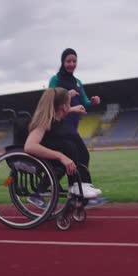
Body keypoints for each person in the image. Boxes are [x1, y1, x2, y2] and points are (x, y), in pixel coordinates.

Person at [24, 88, 102, 209]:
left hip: (56, 158)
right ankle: (39, 194)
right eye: (69, 104)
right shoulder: (44, 123)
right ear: (63, 107)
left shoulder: (56, 119)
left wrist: (72, 108)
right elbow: (29, 146)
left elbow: (59, 111)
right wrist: (60, 156)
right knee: (68, 147)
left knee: (73, 143)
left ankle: (79, 186)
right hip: (46, 159)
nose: (69, 107)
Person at [48, 48, 107, 208]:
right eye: (68, 61)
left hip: (72, 126)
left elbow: (85, 101)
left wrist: (93, 102)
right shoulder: (55, 79)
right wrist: (66, 94)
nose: (71, 64)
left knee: (82, 157)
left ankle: (80, 192)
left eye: (74, 61)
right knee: (81, 155)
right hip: (59, 125)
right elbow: (49, 99)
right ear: (63, 62)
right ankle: (77, 191)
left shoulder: (78, 82)